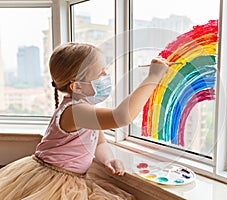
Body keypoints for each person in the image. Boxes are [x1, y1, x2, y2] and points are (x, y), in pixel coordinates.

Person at [0, 42, 169, 199]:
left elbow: (99, 142)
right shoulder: (76, 111)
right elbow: (122, 117)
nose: (106, 76)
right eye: (101, 73)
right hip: (54, 181)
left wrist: (108, 159)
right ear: (77, 86)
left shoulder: (84, 109)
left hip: (70, 178)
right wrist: (153, 77)